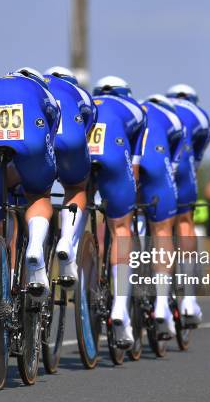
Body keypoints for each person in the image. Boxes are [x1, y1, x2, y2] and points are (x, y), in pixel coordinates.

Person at [0, 67, 60, 361]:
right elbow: (50, 140)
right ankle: (34, 248)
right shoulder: (44, 93)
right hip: (31, 136)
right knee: (39, 193)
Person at [90, 75, 146, 348]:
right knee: (120, 228)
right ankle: (120, 309)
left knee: (78, 198)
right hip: (114, 160)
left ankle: (72, 246)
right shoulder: (135, 109)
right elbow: (134, 168)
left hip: (83, 161)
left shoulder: (87, 103)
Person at [135, 94, 184, 338]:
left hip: (126, 162)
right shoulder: (173, 118)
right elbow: (177, 164)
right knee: (163, 230)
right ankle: (162, 304)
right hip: (157, 165)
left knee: (126, 218)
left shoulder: (134, 109)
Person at [43, 66, 97, 284]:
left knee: (36, 192)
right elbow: (86, 132)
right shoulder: (80, 93)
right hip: (71, 142)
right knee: (76, 187)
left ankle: (31, 244)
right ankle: (67, 239)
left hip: (40, 140)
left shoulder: (38, 86)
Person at [166, 84, 210, 326]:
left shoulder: (158, 108)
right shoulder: (200, 115)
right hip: (183, 168)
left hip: (156, 164)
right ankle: (189, 300)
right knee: (185, 220)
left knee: (146, 216)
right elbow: (196, 160)